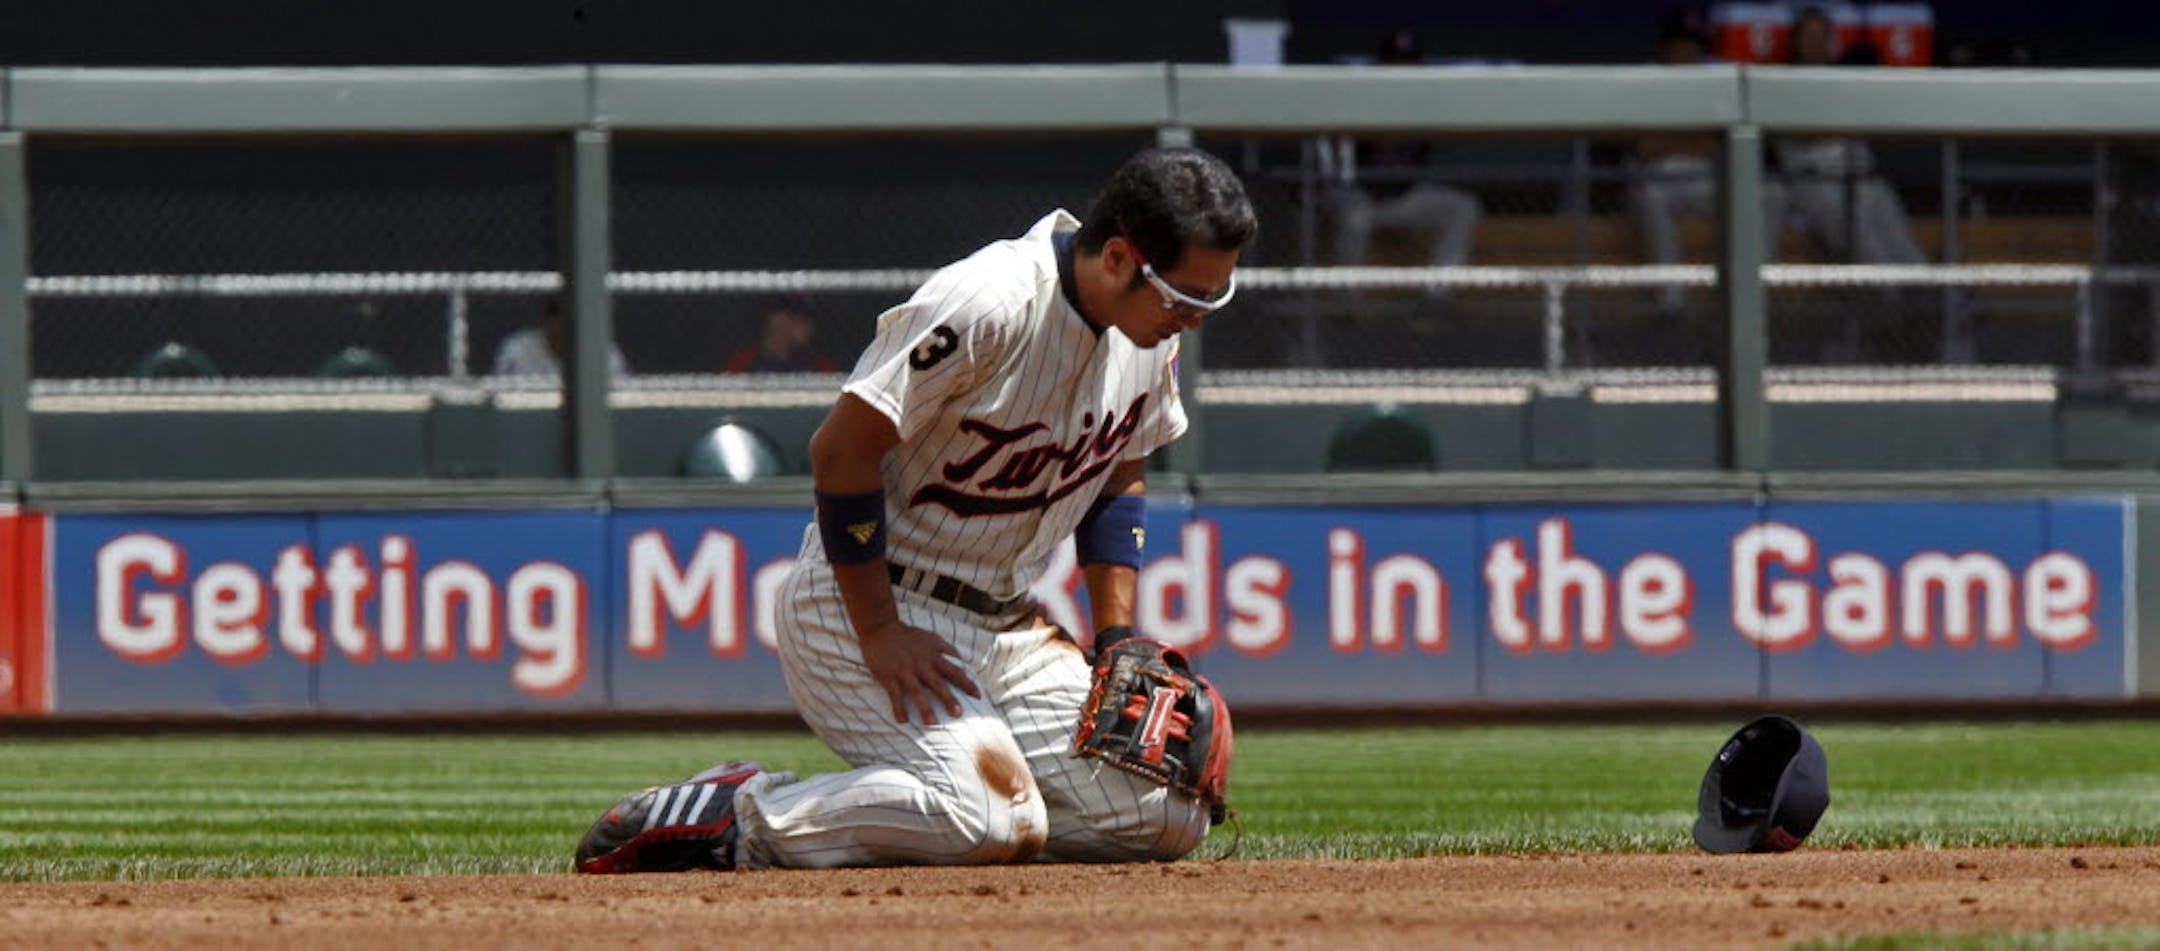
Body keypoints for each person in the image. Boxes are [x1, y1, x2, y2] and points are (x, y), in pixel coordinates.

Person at [574, 147, 1256, 871]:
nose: (1193, 319)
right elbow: (842, 450)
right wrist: (878, 629)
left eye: (1210, 300)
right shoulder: (989, 302)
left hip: (1006, 625)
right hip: (865, 605)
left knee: (1164, 816)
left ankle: (965, 817)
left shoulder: (1148, 336)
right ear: (1118, 257)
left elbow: (1120, 468)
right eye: (1184, 297)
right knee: (989, 818)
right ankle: (735, 815)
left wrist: (1116, 637)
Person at [1629, 10, 1790, 319]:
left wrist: (1676, 140)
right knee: (1650, 195)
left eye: (1693, 47)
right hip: (1663, 178)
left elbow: (1724, 145)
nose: (1686, 54)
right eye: (1679, 47)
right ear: (1664, 50)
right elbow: (1645, 148)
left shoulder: (1715, 78)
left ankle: (1748, 295)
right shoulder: (1648, 80)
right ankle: (1671, 301)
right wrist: (1695, 140)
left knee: (1773, 194)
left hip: (1709, 177)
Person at [1319, 29, 1482, 281]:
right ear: (1380, 64)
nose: (1402, 68)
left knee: (1463, 208)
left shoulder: (1425, 102)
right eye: (1394, 62)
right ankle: (1349, 299)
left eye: (1408, 62)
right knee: (1355, 219)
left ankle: (1436, 294)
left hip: (1406, 196)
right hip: (1360, 196)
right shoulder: (1358, 98)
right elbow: (1333, 160)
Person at [1774, 6, 1927, 269]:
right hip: (1815, 183)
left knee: (1905, 247)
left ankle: (1933, 289)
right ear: (1796, 40)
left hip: (1862, 177)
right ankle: (1889, 292)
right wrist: (1835, 126)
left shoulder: (1844, 78)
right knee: (1870, 250)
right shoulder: (1781, 81)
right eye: (1809, 36)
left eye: (1822, 35)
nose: (1816, 42)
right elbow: (1795, 133)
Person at [489, 296, 629, 379]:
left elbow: (623, 402)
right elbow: (500, 401)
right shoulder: (518, 349)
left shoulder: (604, 351)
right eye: (560, 318)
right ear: (546, 321)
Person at [721, 298, 839, 373]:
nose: (809, 327)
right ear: (777, 319)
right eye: (800, 318)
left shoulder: (819, 366)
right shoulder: (743, 364)